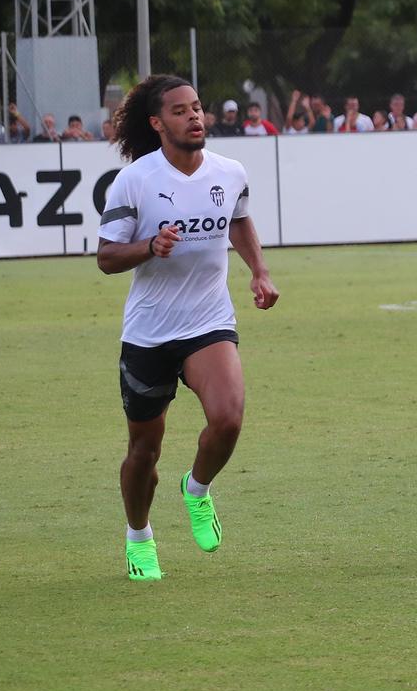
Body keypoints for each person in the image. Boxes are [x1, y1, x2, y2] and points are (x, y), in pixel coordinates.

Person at [96, 75, 280, 582]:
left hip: (208, 320)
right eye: (180, 111)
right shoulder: (134, 181)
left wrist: (259, 272)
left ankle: (196, 490)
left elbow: (238, 219)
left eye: (197, 107)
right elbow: (107, 257)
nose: (194, 116)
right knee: (144, 451)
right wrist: (149, 246)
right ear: (157, 124)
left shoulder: (230, 171)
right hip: (150, 334)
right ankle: (139, 536)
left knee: (228, 419)